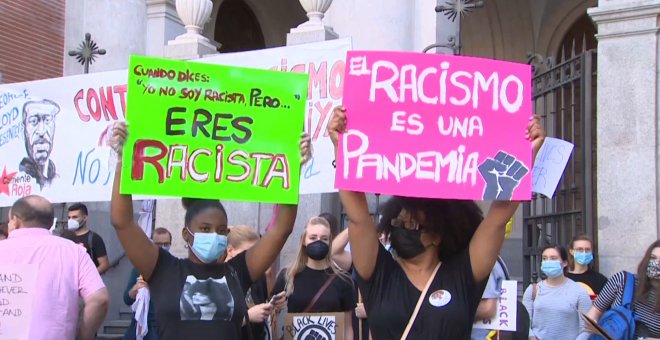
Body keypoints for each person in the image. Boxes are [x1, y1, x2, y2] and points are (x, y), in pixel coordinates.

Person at [326, 106, 546, 339]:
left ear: (438, 234)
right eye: (398, 222)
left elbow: (497, 219)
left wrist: (526, 155)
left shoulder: (464, 272)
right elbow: (358, 217)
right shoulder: (379, 272)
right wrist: (342, 149)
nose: (403, 225)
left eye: (412, 224)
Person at [109, 121, 310, 339]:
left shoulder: (238, 271)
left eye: (221, 230)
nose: (214, 234)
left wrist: (293, 169)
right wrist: (123, 161)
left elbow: (281, 229)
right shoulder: (164, 269)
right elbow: (123, 222)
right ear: (187, 234)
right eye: (205, 228)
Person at [0, 195, 108, 340]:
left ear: (16, 220)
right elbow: (99, 299)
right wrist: (83, 336)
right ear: (50, 222)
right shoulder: (74, 252)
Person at [272, 216, 355, 340]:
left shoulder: (343, 280)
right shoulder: (288, 276)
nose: (318, 242)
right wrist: (276, 308)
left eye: (324, 239)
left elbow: (348, 327)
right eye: (313, 237)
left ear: (329, 242)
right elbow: (271, 318)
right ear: (304, 241)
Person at [583, 239, 660, 338]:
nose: (656, 263)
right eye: (653, 258)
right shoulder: (622, 280)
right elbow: (594, 312)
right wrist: (594, 326)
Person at [522, 244, 592, 340]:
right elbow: (526, 323)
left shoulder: (579, 291)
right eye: (545, 258)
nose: (548, 262)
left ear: (564, 263)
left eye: (553, 258)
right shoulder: (533, 290)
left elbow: (586, 328)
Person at [123, 227, 173, 340]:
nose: (163, 248)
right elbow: (127, 298)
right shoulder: (140, 267)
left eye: (166, 244)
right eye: (159, 244)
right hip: (140, 324)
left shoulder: (175, 267)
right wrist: (135, 289)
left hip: (163, 326)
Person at [226, 224, 275, 340]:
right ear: (230, 250)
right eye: (247, 253)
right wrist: (247, 317)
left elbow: (263, 301)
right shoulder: (218, 280)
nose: (253, 258)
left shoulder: (256, 277)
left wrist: (273, 304)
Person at [19, 99, 59, 189]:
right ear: (24, 130)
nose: (41, 131)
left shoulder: (58, 178)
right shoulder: (18, 177)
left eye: (47, 120)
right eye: (33, 121)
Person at [67, 202, 110, 274]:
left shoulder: (94, 238)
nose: (71, 220)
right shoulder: (66, 237)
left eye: (75, 217)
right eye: (69, 217)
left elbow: (104, 264)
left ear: (84, 218)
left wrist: (89, 276)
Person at [566, 234, 608, 300]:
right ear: (571, 251)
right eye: (580, 249)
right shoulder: (561, 277)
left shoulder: (600, 280)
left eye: (587, 249)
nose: (584, 253)